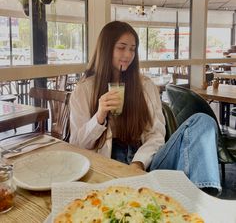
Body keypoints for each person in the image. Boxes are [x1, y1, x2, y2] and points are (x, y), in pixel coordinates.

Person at [70, 21, 221, 193]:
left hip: (147, 161)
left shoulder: (145, 85)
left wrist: (138, 162)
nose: (128, 54)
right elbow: (77, 144)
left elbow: (156, 134)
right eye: (121, 47)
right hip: (107, 165)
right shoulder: (83, 90)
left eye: (132, 49)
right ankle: (192, 199)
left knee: (202, 121)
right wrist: (99, 116)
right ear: (106, 48)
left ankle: (202, 197)